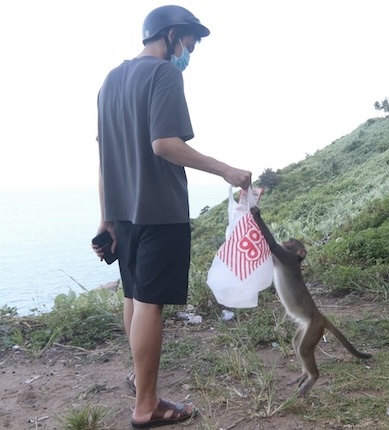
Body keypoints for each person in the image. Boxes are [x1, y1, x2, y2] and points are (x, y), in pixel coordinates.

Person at [92, 5, 252, 428]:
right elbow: (165, 144)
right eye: (190, 42)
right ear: (172, 34)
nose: (190, 51)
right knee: (150, 303)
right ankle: (147, 407)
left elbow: (104, 155)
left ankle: (138, 378)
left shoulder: (110, 80)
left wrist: (107, 217)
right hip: (159, 209)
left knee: (133, 296)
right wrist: (227, 170)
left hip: (123, 212)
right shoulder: (164, 73)